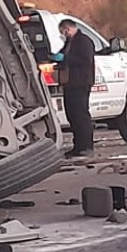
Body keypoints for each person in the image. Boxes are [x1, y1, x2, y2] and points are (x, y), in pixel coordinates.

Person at [56, 18, 95, 158]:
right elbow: (64, 56)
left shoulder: (84, 41)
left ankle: (87, 146)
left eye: (63, 32)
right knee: (72, 115)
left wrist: (65, 59)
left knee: (81, 115)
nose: (63, 35)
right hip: (70, 83)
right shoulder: (69, 42)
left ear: (68, 28)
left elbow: (85, 60)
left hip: (81, 82)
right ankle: (77, 146)